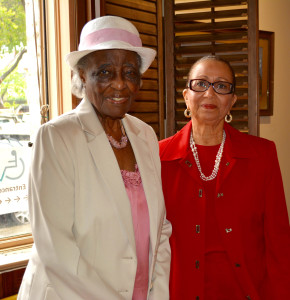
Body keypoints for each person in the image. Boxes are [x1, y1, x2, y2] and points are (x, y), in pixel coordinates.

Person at [18, 16, 171, 300]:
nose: (119, 85)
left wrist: (157, 295)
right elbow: (57, 250)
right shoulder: (56, 137)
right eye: (104, 72)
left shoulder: (146, 135)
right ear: (81, 76)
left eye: (129, 72)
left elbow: (160, 231)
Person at [159, 55, 290, 300]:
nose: (209, 94)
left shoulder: (262, 154)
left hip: (246, 291)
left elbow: (279, 241)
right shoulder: (157, 157)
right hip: (179, 292)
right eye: (200, 84)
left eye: (221, 86)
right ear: (186, 96)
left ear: (232, 102)